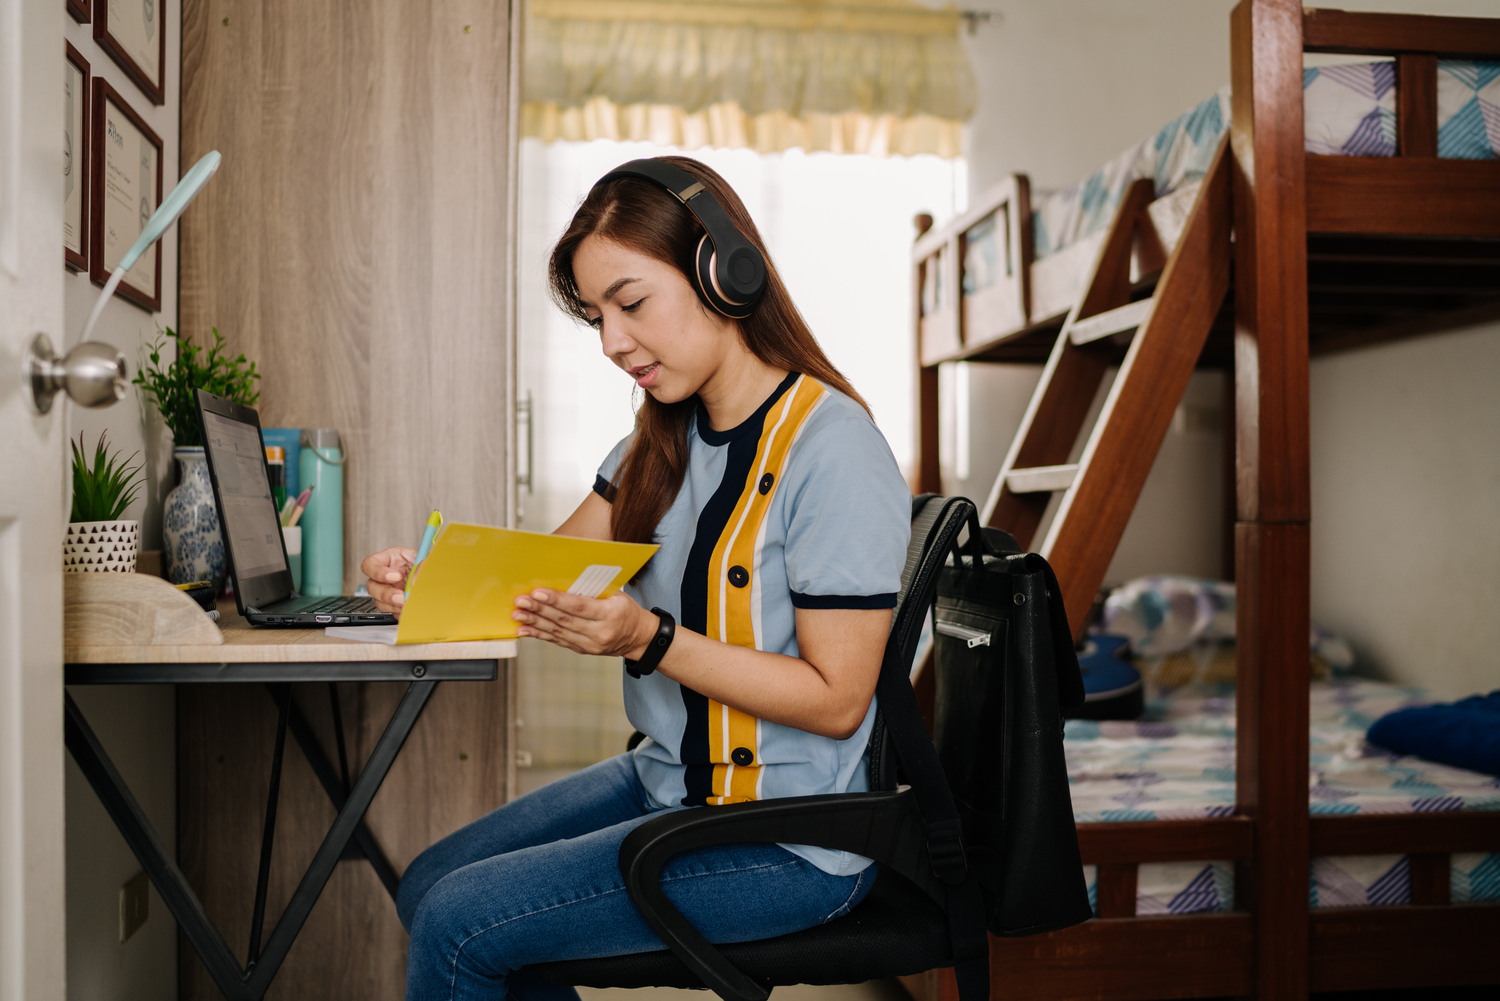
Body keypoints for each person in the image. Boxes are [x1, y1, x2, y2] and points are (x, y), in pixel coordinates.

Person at [360, 156, 911, 1001]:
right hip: (672, 781)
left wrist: (647, 638)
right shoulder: (657, 443)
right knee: (431, 878)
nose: (614, 342)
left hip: (790, 837)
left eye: (631, 302)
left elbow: (838, 699)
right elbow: (540, 576)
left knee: (459, 920)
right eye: (596, 318)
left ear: (723, 273)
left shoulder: (833, 449)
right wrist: (425, 582)